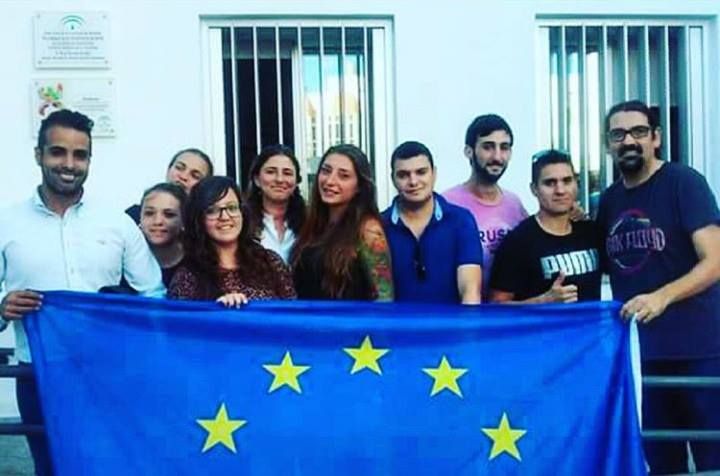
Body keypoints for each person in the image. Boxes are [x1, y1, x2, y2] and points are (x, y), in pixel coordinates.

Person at [0, 109, 164, 476]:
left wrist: (126, 322)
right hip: (39, 375)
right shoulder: (5, 224)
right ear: (38, 155)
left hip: (110, 372)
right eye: (58, 152)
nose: (69, 164)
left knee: (114, 466)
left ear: (90, 159)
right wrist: (2, 308)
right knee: (51, 467)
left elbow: (153, 294)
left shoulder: (117, 223)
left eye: (80, 154)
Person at [596, 100, 720, 474]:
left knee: (711, 457)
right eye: (618, 134)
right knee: (662, 461)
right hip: (640, 355)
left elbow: (715, 261)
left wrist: (662, 296)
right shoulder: (610, 200)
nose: (628, 141)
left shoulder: (684, 183)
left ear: (656, 138)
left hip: (698, 351)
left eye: (638, 132)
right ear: (608, 144)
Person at [489, 149, 601, 303]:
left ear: (576, 183)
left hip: (592, 320)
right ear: (534, 189)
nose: (560, 190)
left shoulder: (590, 232)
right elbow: (496, 306)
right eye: (550, 183)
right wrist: (543, 301)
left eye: (567, 181)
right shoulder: (518, 242)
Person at [381, 141, 482, 303]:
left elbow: (470, 290)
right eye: (403, 175)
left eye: (421, 172)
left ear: (434, 174)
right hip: (395, 320)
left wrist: (469, 320)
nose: (413, 182)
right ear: (393, 179)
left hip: (451, 320)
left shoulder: (461, 221)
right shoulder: (379, 226)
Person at [168, 176, 296, 305]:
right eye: (212, 211)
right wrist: (220, 311)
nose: (225, 217)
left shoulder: (271, 263)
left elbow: (292, 312)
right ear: (199, 219)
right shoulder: (186, 277)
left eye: (232, 208)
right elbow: (181, 317)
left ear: (242, 212)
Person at [291, 144, 393, 301]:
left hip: (349, 317)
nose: (330, 181)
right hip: (308, 316)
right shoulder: (313, 223)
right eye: (326, 171)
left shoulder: (369, 230)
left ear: (359, 186)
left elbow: (384, 296)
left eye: (343, 176)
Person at [443, 114, 528, 298]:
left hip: (504, 312)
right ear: (469, 151)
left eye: (504, 147)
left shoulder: (515, 204)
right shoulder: (447, 203)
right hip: (461, 312)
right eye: (488, 147)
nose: (497, 156)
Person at [246, 144, 306, 263]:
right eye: (271, 172)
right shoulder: (242, 221)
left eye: (287, 173)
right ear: (257, 179)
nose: (279, 179)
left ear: (296, 181)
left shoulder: (309, 222)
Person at [125, 148, 213, 223]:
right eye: (179, 168)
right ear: (168, 170)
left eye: (195, 176)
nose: (183, 176)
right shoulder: (133, 216)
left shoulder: (204, 225)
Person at [139, 183, 187, 287]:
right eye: (149, 213)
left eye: (169, 215)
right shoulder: (122, 257)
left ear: (184, 221)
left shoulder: (200, 264)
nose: (158, 221)